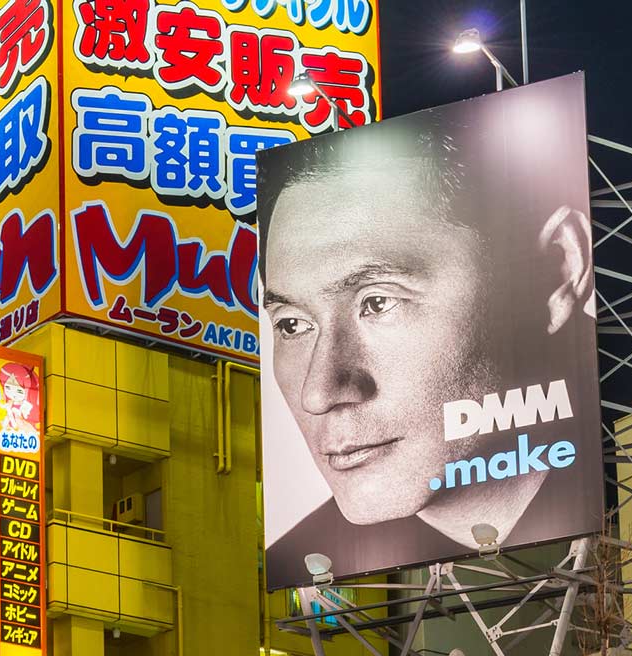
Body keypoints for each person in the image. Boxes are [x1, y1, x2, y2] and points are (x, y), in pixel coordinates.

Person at [256, 87, 597, 585]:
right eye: (292, 324)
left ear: (557, 272)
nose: (318, 391)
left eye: (378, 302)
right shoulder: (304, 555)